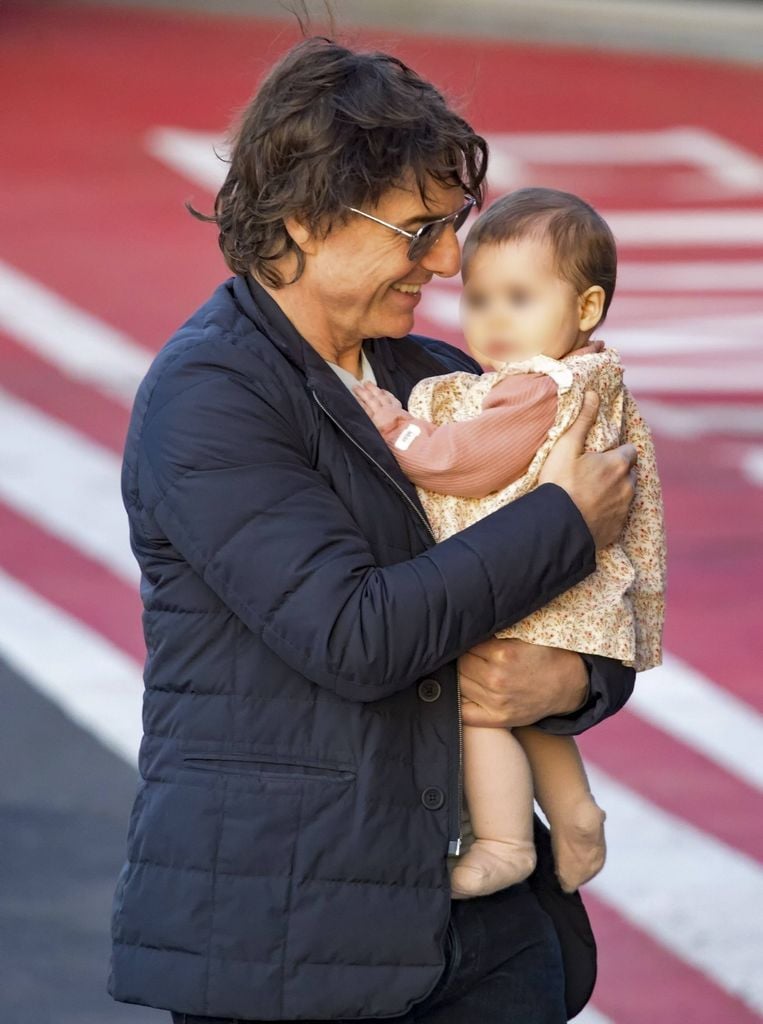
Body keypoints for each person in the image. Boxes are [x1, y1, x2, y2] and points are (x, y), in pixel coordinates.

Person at [108, 38, 638, 1024]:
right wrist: (561, 520)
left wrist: (574, 680)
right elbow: (354, 635)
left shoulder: (430, 372)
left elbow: (596, 593)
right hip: (293, 949)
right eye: (419, 228)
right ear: (309, 221)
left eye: (453, 224)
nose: (447, 261)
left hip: (484, 944)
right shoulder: (208, 399)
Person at [355, 187, 667, 901]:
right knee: (520, 699)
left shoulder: (540, 387)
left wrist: (393, 425)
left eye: (518, 299)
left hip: (544, 574)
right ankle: (574, 812)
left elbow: (462, 461)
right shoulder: (573, 374)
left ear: (585, 308)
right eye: (478, 298)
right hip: (565, 580)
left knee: (472, 699)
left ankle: (503, 840)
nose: (492, 319)